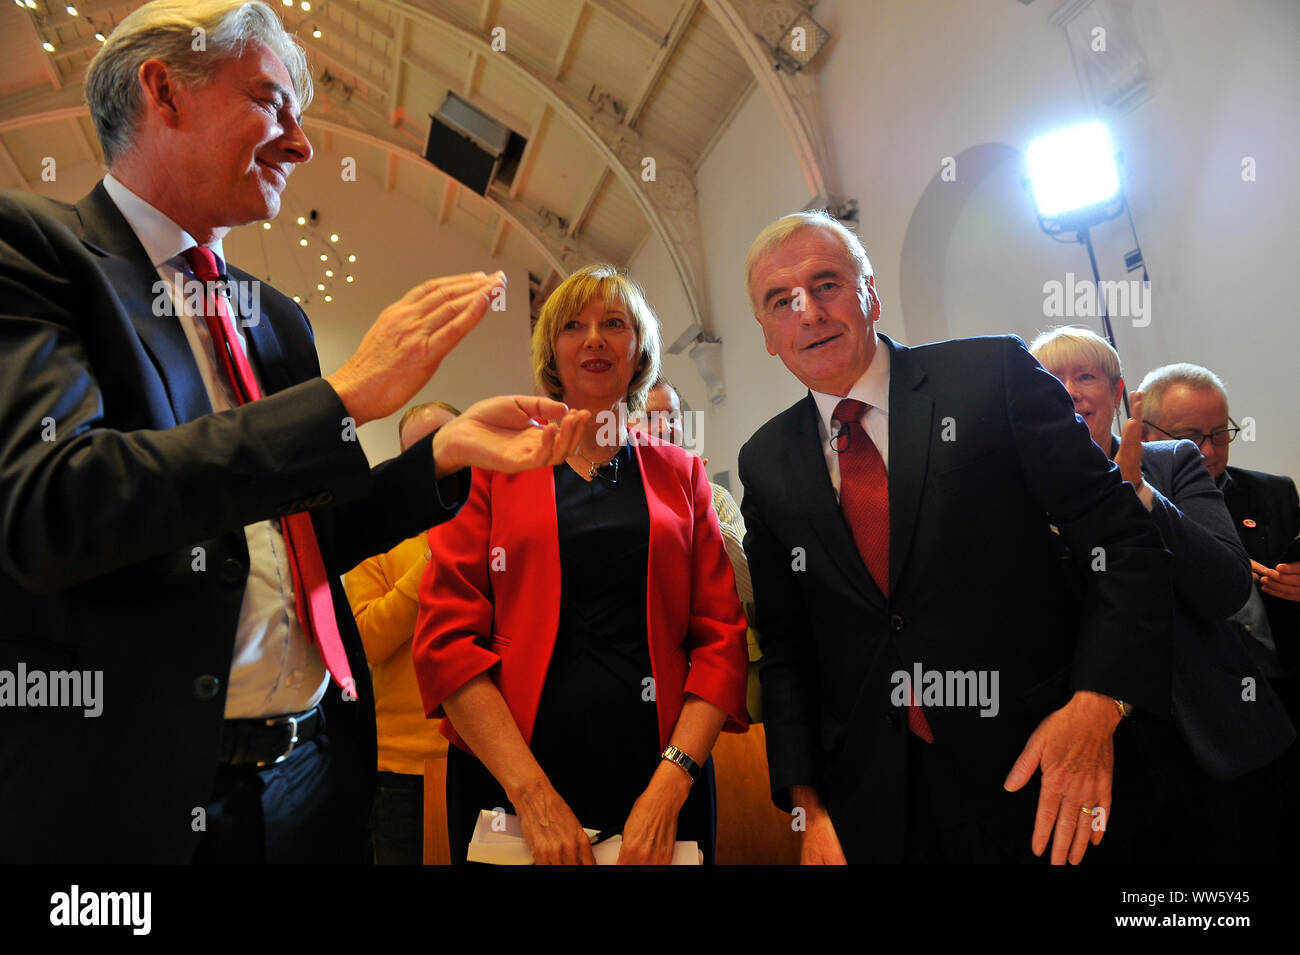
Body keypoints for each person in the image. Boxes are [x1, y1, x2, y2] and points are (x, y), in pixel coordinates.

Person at [0, 0, 585, 864]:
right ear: (164, 90)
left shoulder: (274, 320)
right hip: (135, 798)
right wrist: (341, 400)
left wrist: (441, 457)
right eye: (273, 102)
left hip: (313, 775)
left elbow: (306, 538)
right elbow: (53, 508)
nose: (301, 143)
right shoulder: (35, 251)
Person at [737, 211, 1173, 865]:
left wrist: (1099, 705)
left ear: (870, 293)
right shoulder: (765, 460)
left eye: (826, 284)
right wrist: (810, 805)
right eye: (781, 300)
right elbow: (789, 647)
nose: (808, 312)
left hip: (1045, 767)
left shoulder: (988, 375)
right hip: (879, 807)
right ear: (768, 334)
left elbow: (1125, 544)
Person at [413, 264, 749, 865]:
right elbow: (447, 641)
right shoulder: (492, 468)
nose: (594, 338)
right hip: (512, 782)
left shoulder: (683, 474)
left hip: (663, 781)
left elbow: (720, 641)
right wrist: (533, 797)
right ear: (551, 353)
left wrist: (671, 785)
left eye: (613, 323)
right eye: (574, 325)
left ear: (638, 349)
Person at [1029, 328, 1292, 862]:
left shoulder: (1171, 463)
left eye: (1086, 376)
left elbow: (1227, 586)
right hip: (1092, 758)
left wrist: (1142, 496)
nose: (1071, 390)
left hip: (1211, 737)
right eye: (1052, 379)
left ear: (1117, 392)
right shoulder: (1010, 490)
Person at [1138, 361, 1300, 856]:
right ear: (1143, 430)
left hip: (1279, 702)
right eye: (1190, 437)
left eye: (1220, 434)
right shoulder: (1134, 499)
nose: (1207, 452)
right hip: (1191, 718)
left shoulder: (1272, 492)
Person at [345, 401, 462, 865]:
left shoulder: (502, 530)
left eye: (448, 444)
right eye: (420, 452)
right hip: (400, 769)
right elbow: (367, 641)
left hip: (493, 758)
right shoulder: (374, 537)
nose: (437, 461)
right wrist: (434, 564)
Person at [633, 377, 764, 722]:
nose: (664, 427)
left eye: (673, 416)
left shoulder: (716, 496)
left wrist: (695, 501)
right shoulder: (616, 500)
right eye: (649, 416)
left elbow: (748, 585)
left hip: (719, 668)